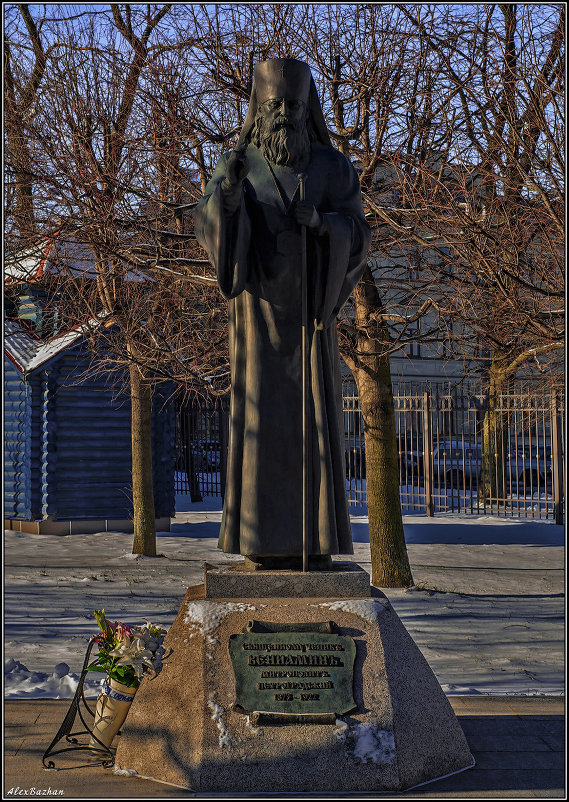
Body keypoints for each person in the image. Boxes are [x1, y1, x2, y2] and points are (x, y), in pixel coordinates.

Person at [194, 58, 371, 569]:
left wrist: (322, 223)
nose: (286, 115)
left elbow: (360, 235)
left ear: (307, 106)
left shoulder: (333, 167)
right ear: (260, 108)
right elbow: (208, 226)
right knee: (260, 428)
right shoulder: (238, 164)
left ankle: (313, 543)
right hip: (256, 324)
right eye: (276, 106)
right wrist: (226, 197)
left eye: (294, 105)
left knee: (311, 428)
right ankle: (259, 542)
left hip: (311, 322)